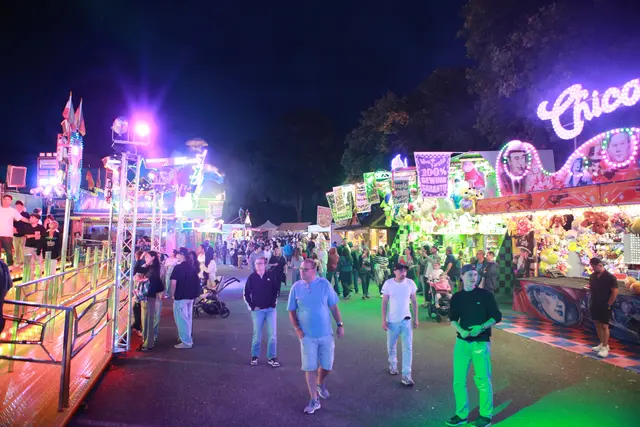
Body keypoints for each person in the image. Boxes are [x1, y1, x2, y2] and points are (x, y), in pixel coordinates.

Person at [446, 265, 502, 427]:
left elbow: (496, 316)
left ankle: (485, 416)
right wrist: (461, 331)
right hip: (462, 343)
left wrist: (481, 327)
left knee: (482, 380)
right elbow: (453, 319)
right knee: (458, 380)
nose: (473, 278)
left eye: (475, 275)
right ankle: (461, 414)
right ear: (462, 276)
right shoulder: (457, 297)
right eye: (470, 274)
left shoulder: (485, 295)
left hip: (480, 343)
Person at [288, 259, 344, 415]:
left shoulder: (324, 284)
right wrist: (297, 329)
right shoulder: (296, 287)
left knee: (327, 366)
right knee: (310, 367)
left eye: (305, 269)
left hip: (326, 334)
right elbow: (291, 311)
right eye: (301, 268)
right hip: (307, 336)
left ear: (314, 270)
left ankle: (320, 382)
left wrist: (340, 324)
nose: (302, 271)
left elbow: (334, 306)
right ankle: (314, 399)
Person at [381, 263, 418, 386]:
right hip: (392, 321)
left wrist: (416, 318)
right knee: (391, 346)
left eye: (405, 271)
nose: (403, 273)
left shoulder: (410, 283)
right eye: (400, 271)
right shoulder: (388, 284)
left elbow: (414, 301)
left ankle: (406, 375)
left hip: (406, 320)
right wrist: (383, 320)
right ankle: (393, 365)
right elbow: (384, 302)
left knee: (408, 348)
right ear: (394, 271)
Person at [244, 256, 281, 367]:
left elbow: (276, 290)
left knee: (272, 335)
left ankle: (272, 357)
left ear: (265, 265)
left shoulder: (271, 276)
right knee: (257, 334)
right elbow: (246, 293)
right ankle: (254, 356)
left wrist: (273, 304)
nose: (258, 265)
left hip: (270, 310)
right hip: (258, 311)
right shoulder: (252, 278)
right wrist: (252, 306)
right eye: (256, 264)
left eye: (260, 263)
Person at [584, 257, 619, 358]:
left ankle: (605, 347)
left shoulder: (610, 277)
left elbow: (615, 292)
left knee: (604, 326)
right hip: (594, 302)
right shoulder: (593, 276)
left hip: (605, 304)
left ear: (600, 265)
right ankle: (602, 343)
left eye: (594, 267)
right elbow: (591, 286)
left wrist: (609, 304)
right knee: (597, 324)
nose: (593, 269)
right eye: (592, 267)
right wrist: (588, 287)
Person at [169, 247, 201, 349]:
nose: (176, 256)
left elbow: (173, 283)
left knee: (181, 320)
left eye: (177, 254)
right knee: (187, 319)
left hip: (181, 296)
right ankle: (187, 338)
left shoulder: (178, 268)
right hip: (190, 297)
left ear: (182, 255)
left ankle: (186, 341)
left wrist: (172, 294)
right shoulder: (191, 267)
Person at [137, 251, 165, 352]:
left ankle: (149, 343)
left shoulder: (156, 268)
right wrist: (141, 259)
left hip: (150, 295)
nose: (145, 259)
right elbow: (136, 270)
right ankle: (146, 341)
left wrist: (143, 279)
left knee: (149, 319)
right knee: (145, 319)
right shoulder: (148, 267)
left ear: (153, 258)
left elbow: (155, 279)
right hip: (146, 296)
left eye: (147, 257)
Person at [0, 194, 29, 270]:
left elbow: (22, 218)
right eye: (5, 199)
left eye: (8, 200)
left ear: (10, 201)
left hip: (7, 234)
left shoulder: (13, 211)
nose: (6, 201)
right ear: (2, 200)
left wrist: (31, 221)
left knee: (9, 251)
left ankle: (10, 265)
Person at [12, 200, 29, 268]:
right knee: (16, 249)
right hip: (15, 234)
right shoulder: (13, 214)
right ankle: (17, 262)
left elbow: (28, 223)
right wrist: (13, 228)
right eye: (17, 206)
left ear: (22, 206)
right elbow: (9, 222)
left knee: (23, 249)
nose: (18, 207)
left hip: (23, 234)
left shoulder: (26, 214)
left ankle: (24, 262)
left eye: (19, 206)